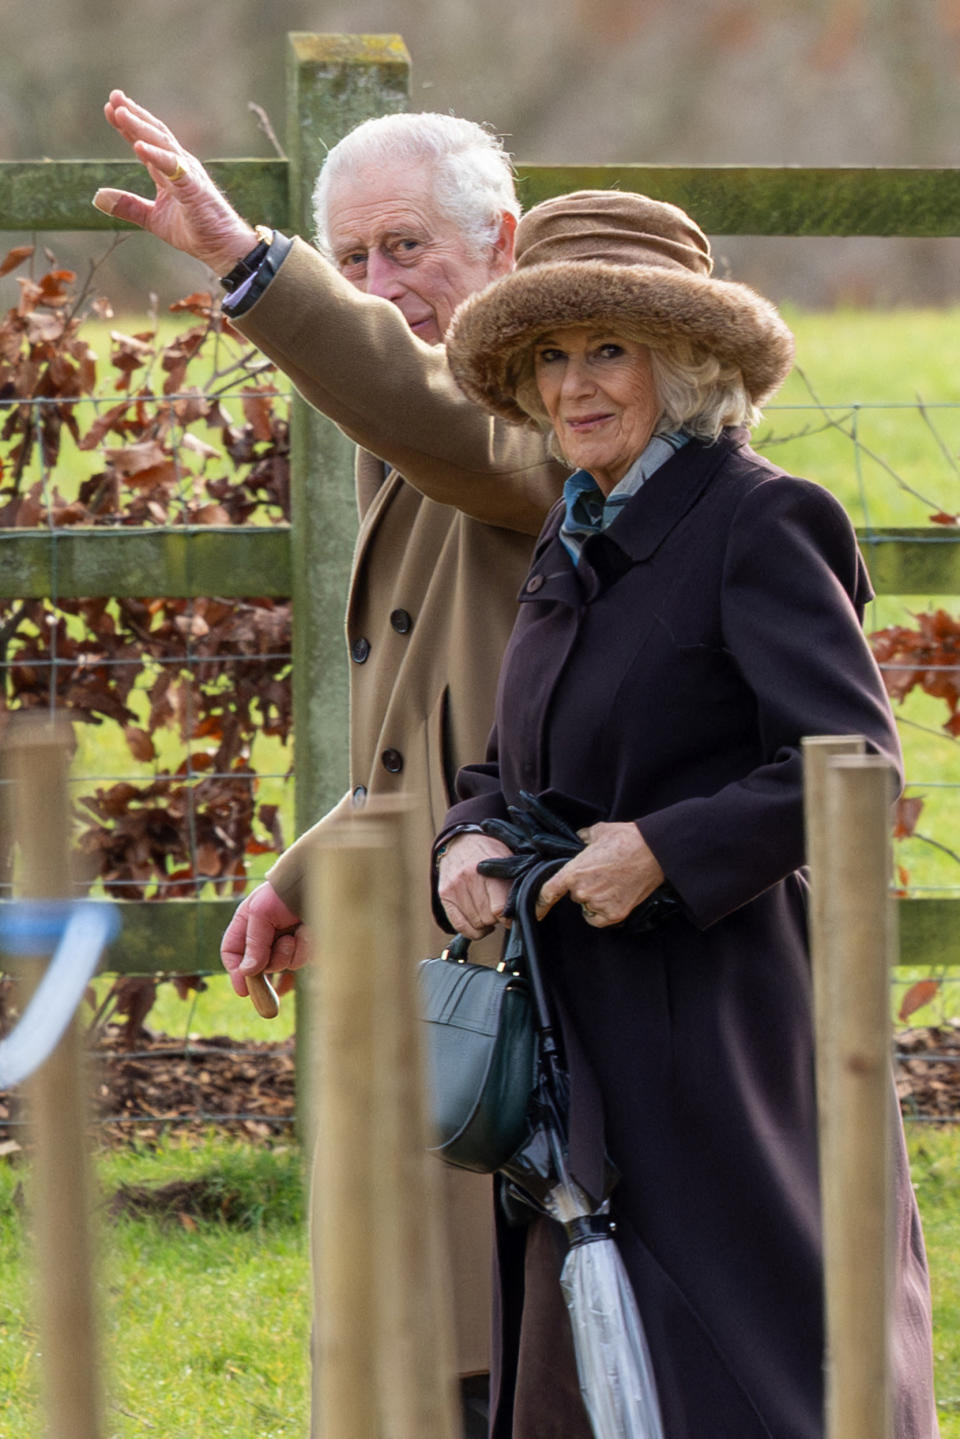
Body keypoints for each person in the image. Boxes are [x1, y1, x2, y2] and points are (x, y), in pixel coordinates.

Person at [434, 190, 940, 1437]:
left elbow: (855, 766)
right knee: (582, 1371)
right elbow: (511, 764)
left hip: (726, 1032)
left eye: (608, 348)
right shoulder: (575, 519)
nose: (572, 386)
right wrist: (472, 838)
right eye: (549, 356)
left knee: (749, 1368)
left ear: (692, 361)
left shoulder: (758, 518)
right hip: (579, 1030)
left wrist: (662, 849)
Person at [94, 95, 567, 1421]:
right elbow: (428, 705)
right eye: (351, 259)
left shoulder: (555, 410)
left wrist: (255, 269)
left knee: (523, 1345)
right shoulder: (412, 420)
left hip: (543, 934)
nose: (381, 286)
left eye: (407, 247)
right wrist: (310, 860)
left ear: (506, 244)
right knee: (430, 1345)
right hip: (442, 936)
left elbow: (461, 436)